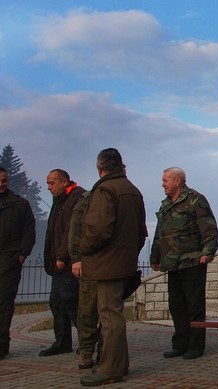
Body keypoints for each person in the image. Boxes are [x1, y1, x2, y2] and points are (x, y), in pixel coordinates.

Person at [78, 148, 147, 386]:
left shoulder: (105, 190)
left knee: (109, 316)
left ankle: (109, 369)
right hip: (124, 262)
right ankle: (120, 364)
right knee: (114, 313)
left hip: (105, 264)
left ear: (100, 168)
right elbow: (141, 233)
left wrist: (82, 248)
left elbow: (97, 230)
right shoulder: (133, 191)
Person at [150, 167, 218, 361]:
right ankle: (180, 344)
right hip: (172, 263)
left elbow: (209, 229)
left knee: (194, 306)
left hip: (192, 262)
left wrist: (207, 252)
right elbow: (160, 233)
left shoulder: (195, 199)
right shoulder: (166, 204)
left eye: (165, 180)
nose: (162, 184)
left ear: (177, 181)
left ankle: (196, 346)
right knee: (176, 305)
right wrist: (155, 256)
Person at [40, 169, 85, 357]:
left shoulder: (78, 197)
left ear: (64, 182)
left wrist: (62, 256)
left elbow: (72, 231)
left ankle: (89, 340)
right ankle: (62, 342)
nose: (49, 187)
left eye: (52, 183)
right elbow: (53, 232)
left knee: (71, 300)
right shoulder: (59, 200)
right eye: (48, 183)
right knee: (56, 301)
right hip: (58, 263)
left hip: (70, 261)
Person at [0, 166, 36, 361]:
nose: (2, 184)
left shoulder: (20, 205)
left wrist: (22, 255)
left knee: (4, 305)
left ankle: (1, 346)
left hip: (9, 262)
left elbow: (29, 232)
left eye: (4, 180)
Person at [69, 189, 102, 370]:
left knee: (109, 313)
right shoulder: (89, 198)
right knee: (87, 309)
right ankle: (87, 350)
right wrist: (76, 258)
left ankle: (106, 350)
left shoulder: (125, 194)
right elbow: (76, 229)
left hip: (113, 264)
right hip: (91, 262)